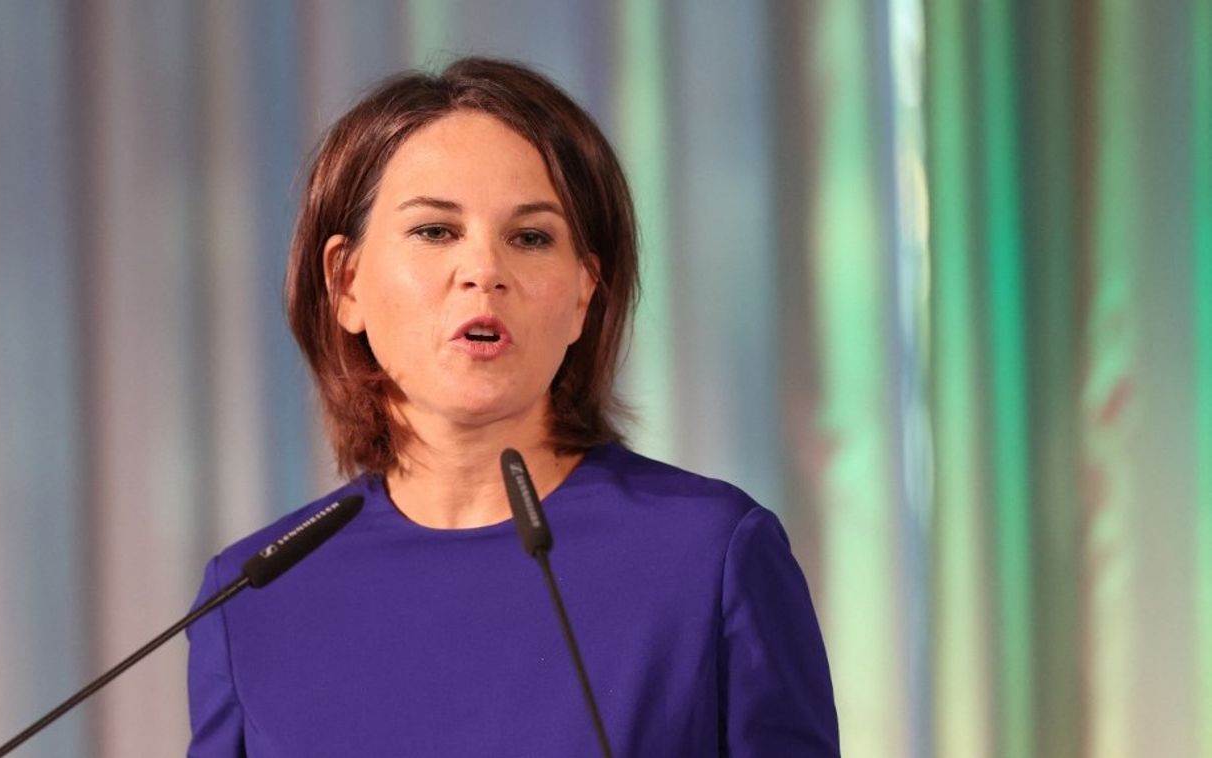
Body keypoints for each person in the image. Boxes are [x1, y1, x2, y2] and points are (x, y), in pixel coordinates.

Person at [186, 56, 839, 757]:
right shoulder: (251, 596)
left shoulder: (711, 556)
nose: (484, 271)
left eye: (530, 238)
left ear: (584, 293)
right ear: (345, 284)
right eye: (435, 231)